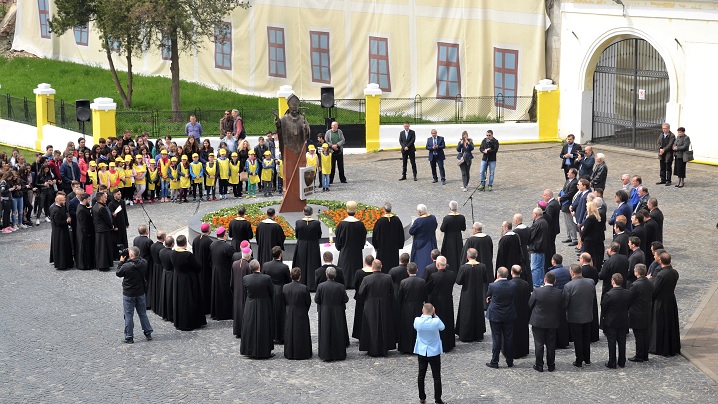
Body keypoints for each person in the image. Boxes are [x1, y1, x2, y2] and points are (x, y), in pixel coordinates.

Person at [357, 259, 396, 356]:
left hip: (370, 305)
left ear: (372, 267)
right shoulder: (388, 277)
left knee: (371, 327)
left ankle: (371, 348)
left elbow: (361, 293)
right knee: (384, 326)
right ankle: (384, 348)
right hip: (385, 305)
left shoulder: (367, 279)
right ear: (381, 266)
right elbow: (392, 291)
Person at [116, 247, 153, 343]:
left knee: (128, 315)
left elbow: (118, 273)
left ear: (131, 255)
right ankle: (148, 332)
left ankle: (129, 336)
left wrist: (121, 262)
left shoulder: (126, 266)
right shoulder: (144, 263)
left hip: (129, 294)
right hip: (140, 292)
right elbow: (139, 259)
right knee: (142, 313)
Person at [528, 271, 563, 372]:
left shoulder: (537, 291)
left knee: (539, 344)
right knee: (551, 344)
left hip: (538, 321)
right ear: (555, 281)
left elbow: (530, 304)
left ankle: (539, 365)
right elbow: (562, 306)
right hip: (552, 322)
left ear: (544, 280)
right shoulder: (559, 292)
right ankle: (551, 365)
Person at [240, 260, 275, 359]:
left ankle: (249, 349)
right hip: (263, 305)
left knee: (249, 327)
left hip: (250, 305)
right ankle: (264, 350)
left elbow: (244, 292)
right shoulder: (266, 278)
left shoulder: (246, 278)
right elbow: (271, 292)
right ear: (259, 266)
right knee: (264, 327)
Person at [171, 235, 206, 331]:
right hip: (189, 280)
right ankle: (190, 322)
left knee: (180, 301)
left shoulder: (173, 253)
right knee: (189, 301)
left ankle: (180, 321)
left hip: (178, 279)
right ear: (185, 243)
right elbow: (198, 267)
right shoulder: (188, 255)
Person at [563, 264, 595, 367]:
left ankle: (579, 360)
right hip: (587, 314)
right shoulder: (591, 282)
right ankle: (587, 359)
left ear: (572, 273)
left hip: (574, 317)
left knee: (578, 339)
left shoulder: (568, 286)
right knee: (586, 338)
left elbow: (565, 302)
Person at [315, 266, 350, 361]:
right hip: (338, 311)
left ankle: (325, 353)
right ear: (335, 275)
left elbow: (317, 299)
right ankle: (338, 353)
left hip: (325, 311)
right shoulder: (340, 286)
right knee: (338, 331)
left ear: (326, 275)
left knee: (325, 332)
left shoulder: (321, 286)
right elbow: (345, 299)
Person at [455, 248, 489, 342]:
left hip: (467, 293)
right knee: (477, 313)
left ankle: (466, 335)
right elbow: (485, 280)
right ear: (476, 256)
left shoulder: (463, 268)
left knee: (466, 313)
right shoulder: (482, 266)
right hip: (478, 294)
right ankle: (478, 334)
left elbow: (458, 281)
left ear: (468, 256)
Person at [650, 251, 681, 356]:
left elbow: (655, 290)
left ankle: (659, 347)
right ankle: (672, 346)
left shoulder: (661, 275)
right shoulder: (675, 272)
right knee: (670, 324)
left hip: (660, 302)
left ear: (660, 261)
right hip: (671, 300)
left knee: (659, 325)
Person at [485, 267, 516, 369]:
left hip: (495, 315)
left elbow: (488, 296)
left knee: (496, 338)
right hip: (508, 314)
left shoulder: (493, 285)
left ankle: (495, 361)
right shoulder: (512, 285)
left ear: (498, 274)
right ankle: (510, 361)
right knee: (509, 338)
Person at [414, 303, 445, 404]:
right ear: (433, 310)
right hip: (434, 352)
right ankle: (438, 399)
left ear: (422, 310)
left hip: (422, 352)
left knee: (421, 375)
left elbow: (415, 327)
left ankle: (422, 397)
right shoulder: (436, 321)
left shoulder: (417, 321)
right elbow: (442, 327)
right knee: (436, 376)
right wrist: (435, 314)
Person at [601, 273, 631, 369]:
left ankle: (612, 362)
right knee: (622, 341)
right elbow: (629, 305)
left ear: (613, 281)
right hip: (623, 320)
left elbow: (603, 307)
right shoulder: (627, 293)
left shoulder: (609, 294)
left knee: (612, 342)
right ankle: (622, 361)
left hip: (611, 321)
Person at [426, 256, 456, 352]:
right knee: (448, 320)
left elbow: (428, 288)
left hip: (437, 302)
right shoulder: (451, 274)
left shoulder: (434, 276)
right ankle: (449, 343)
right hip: (448, 300)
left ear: (437, 265)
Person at [335, 201, 367, 289]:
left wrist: (339, 247)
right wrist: (360, 246)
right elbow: (363, 238)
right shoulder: (360, 224)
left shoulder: (342, 224)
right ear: (355, 211)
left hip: (345, 251)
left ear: (346, 211)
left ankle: (345, 282)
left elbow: (338, 238)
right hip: (356, 251)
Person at [282, 267, 312, 360]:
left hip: (289, 311)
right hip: (301, 312)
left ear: (291, 276)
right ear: (300, 277)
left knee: (289, 332)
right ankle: (302, 353)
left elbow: (283, 301)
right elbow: (308, 301)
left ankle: (289, 352)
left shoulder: (285, 287)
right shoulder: (304, 288)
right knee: (301, 333)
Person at [263, 246, 291, 343]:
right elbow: (288, 281)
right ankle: (280, 336)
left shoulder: (266, 265)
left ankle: (270, 334)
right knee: (281, 314)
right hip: (280, 291)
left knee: (270, 313)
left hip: (269, 291)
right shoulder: (284, 267)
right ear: (280, 254)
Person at [398, 262, 427, 354]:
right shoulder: (422, 281)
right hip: (418, 306)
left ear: (407, 271)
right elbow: (425, 295)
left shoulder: (403, 282)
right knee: (418, 327)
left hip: (406, 307)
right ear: (417, 270)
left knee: (406, 327)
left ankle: (406, 347)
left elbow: (400, 296)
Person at [293, 206, 322, 290]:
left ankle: (300, 281)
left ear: (303, 212)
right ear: (312, 212)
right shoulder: (316, 223)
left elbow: (297, 235)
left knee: (301, 263)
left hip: (301, 245)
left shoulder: (298, 222)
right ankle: (312, 283)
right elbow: (319, 235)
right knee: (313, 264)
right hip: (313, 245)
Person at [629, 264, 653, 363]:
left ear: (637, 272)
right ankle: (645, 355)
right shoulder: (649, 282)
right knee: (645, 335)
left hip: (637, 314)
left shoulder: (635, 285)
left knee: (638, 336)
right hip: (647, 311)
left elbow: (629, 298)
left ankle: (639, 355)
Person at [210, 227, 235, 320]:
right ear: (224, 235)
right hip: (225, 272)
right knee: (225, 292)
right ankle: (225, 313)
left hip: (215, 272)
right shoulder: (228, 247)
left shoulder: (212, 244)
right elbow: (234, 258)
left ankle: (216, 312)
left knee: (217, 292)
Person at [371, 202, 404, 272]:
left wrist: (376, 246)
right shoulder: (397, 220)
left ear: (384, 209)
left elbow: (375, 235)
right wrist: (400, 245)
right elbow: (401, 234)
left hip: (382, 248)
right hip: (393, 248)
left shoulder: (380, 222)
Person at [410, 204, 438, 278]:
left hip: (420, 244)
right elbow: (435, 226)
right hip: (431, 241)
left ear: (419, 212)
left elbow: (411, 231)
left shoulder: (418, 221)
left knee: (420, 261)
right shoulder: (432, 218)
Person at [192, 223, 214, 314]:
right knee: (206, 288)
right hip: (206, 268)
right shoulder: (209, 242)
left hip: (197, 267)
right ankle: (206, 308)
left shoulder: (196, 240)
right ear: (208, 230)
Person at [510, 265, 531, 359]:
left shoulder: (509, 284)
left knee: (512, 332)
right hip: (523, 311)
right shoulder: (525, 284)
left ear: (511, 272)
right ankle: (523, 350)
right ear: (521, 272)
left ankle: (512, 350)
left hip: (512, 311)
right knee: (522, 331)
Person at [439, 201, 466, 276]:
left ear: (450, 208)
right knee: (458, 253)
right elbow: (463, 228)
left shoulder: (447, 218)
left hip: (449, 238)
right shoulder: (461, 217)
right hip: (458, 238)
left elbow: (442, 229)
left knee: (449, 254)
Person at [231, 247, 252, 338]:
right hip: (244, 292)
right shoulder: (248, 266)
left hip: (236, 291)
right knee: (244, 311)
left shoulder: (234, 264)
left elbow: (232, 280)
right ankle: (244, 330)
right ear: (249, 256)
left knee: (237, 310)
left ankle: (237, 330)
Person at [49, 194, 73, 270]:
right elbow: (58, 222)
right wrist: (67, 221)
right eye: (63, 200)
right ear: (59, 201)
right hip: (60, 232)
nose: (65, 201)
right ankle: (62, 264)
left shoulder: (58, 208)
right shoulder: (57, 210)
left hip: (60, 231)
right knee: (61, 248)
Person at [389, 253, 411, 337]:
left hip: (396, 293)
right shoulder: (409, 269)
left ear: (399, 259)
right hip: (407, 293)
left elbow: (389, 281)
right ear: (408, 260)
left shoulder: (393, 270)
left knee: (396, 314)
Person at [528, 207, 550, 288]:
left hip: (536, 248)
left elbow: (531, 235)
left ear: (535, 214)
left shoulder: (537, 223)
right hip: (542, 248)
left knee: (535, 268)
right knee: (540, 267)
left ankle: (536, 284)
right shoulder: (544, 222)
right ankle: (540, 282)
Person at [580, 201, 605, 271]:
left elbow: (586, 230)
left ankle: (589, 268)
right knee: (596, 254)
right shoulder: (598, 216)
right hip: (596, 238)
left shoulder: (590, 218)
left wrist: (582, 237)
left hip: (589, 240)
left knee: (588, 255)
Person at [108, 189, 129, 259]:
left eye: (120, 194)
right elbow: (111, 216)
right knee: (117, 239)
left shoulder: (122, 202)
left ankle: (125, 253)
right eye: (118, 194)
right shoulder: (111, 204)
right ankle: (117, 255)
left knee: (124, 238)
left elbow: (124, 213)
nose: (120, 195)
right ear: (114, 195)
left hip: (122, 223)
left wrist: (126, 223)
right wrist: (114, 226)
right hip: (117, 224)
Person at [75, 193, 94, 270]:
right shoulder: (81, 209)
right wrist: (87, 233)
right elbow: (83, 224)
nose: (89, 201)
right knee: (84, 249)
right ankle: (85, 265)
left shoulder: (83, 207)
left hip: (85, 232)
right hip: (84, 233)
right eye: (88, 199)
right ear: (85, 200)